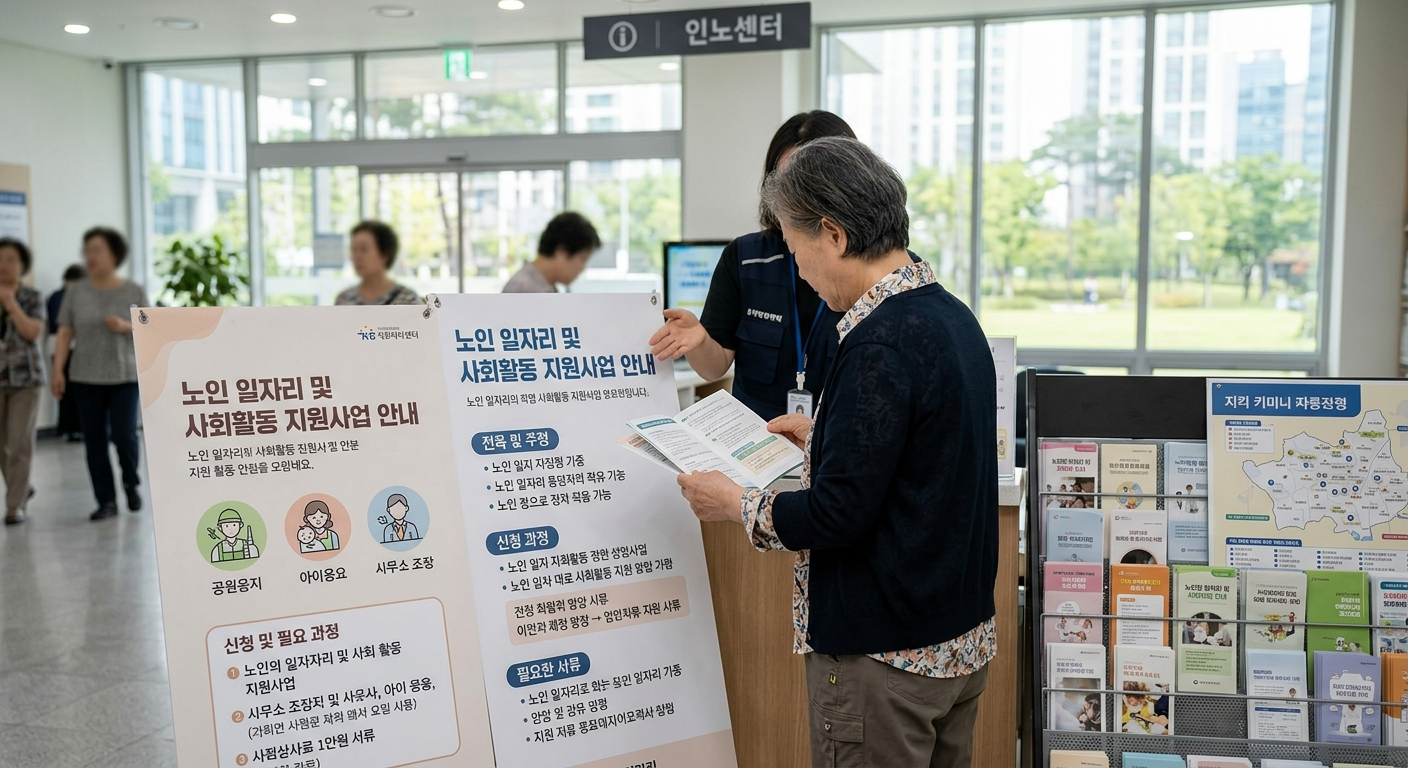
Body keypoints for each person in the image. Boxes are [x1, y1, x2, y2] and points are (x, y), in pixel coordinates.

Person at [676, 137, 998, 768]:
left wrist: (737, 503)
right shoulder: (951, 317)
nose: (797, 269)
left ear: (833, 235)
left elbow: (836, 517)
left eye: (797, 250)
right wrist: (828, 436)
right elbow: (928, 463)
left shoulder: (877, 343)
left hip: (884, 657)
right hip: (955, 643)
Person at [649, 111, 857, 421]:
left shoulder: (870, 266)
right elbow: (713, 367)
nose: (801, 193)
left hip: (837, 447)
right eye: (788, 178)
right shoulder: (745, 258)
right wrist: (699, 340)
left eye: (814, 178)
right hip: (756, 447)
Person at [52, 228, 149, 522]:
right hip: (85, 375)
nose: (90, 256)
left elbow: (150, 328)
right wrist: (58, 370)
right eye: (88, 250)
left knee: (124, 435)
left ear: (114, 254)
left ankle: (131, 482)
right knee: (94, 441)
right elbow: (65, 331)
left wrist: (123, 326)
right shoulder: (76, 291)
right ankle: (106, 500)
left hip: (125, 375)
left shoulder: (133, 290)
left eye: (97, 250)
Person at [0, 239, 46, 525]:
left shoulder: (32, 296)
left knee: (19, 443)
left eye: (11, 259)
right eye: (0, 259)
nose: (4, 265)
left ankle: (14, 505)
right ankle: (22, 488)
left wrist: (10, 303)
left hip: (25, 380)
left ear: (22, 265)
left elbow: (32, 333)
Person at [502, 212, 600, 293]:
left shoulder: (543, 287)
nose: (582, 269)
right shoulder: (524, 289)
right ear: (562, 252)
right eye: (583, 259)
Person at [334, 220, 421, 306]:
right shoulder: (344, 299)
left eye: (364, 249)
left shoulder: (407, 299)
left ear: (385, 254)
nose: (357, 256)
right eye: (354, 250)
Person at [47, 264, 85, 442]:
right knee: (70, 390)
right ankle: (73, 428)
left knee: (66, 392)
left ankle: (67, 428)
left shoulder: (55, 296)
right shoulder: (68, 297)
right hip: (67, 345)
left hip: (59, 346)